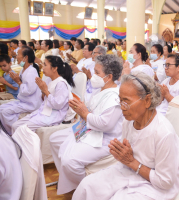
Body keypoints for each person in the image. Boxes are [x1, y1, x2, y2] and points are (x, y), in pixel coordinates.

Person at [72, 71, 179, 200]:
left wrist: (132, 162)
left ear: (147, 101)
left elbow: (166, 182)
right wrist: (123, 156)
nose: (121, 107)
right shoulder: (128, 121)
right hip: (130, 170)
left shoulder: (163, 133)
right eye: (120, 100)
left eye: (126, 101)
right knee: (87, 186)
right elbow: (130, 159)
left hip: (155, 184)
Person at [49, 54, 123, 195]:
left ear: (109, 77)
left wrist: (84, 113)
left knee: (69, 161)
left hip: (105, 139)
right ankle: (69, 179)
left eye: (97, 72)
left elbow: (106, 125)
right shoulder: (101, 89)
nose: (93, 75)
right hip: (89, 129)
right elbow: (93, 112)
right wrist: (82, 109)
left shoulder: (115, 96)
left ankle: (85, 189)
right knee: (54, 139)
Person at [11, 56, 75, 133]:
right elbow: (43, 100)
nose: (43, 68)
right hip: (43, 111)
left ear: (54, 68)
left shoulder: (61, 84)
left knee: (21, 129)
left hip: (53, 115)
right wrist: (43, 91)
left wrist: (45, 91)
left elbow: (58, 105)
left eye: (45, 65)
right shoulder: (48, 79)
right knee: (15, 126)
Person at [0, 46, 42, 135]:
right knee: (0, 108)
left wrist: (18, 81)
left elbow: (28, 91)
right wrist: (18, 81)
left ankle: (12, 133)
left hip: (31, 104)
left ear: (25, 58)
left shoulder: (31, 71)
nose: (16, 56)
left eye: (18, 54)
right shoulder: (23, 69)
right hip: (24, 100)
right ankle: (5, 130)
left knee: (5, 112)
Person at [0, 96, 23, 199]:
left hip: (36, 107)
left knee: (4, 112)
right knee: (3, 110)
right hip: (31, 104)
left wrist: (45, 92)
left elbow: (22, 93)